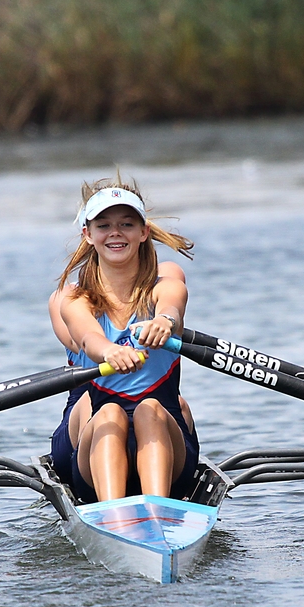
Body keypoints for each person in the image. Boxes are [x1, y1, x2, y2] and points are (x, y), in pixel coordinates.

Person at [50, 175, 197, 503]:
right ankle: (114, 515)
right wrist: (109, 352)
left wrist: (164, 321)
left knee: (150, 409)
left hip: (169, 451)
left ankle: (159, 514)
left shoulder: (165, 287)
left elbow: (172, 308)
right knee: (110, 413)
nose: (115, 233)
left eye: (127, 224)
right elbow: (88, 338)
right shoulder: (75, 300)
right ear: (88, 235)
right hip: (96, 451)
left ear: (144, 233)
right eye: (103, 225)